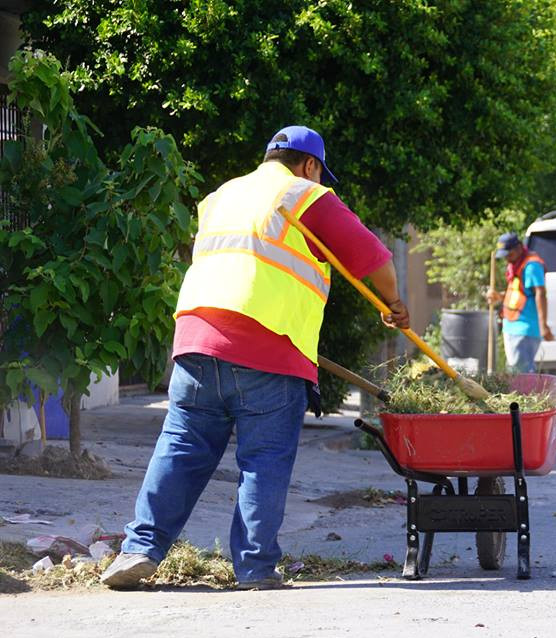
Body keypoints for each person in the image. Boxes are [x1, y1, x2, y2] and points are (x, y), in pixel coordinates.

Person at [100, 125, 409, 590]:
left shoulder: (220, 196)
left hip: (196, 341)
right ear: (310, 165)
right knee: (264, 459)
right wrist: (394, 304)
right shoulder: (306, 195)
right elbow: (374, 258)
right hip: (269, 350)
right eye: (320, 173)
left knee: (181, 448)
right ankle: (254, 567)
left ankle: (138, 550)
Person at [486, 231, 553, 373]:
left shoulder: (532, 266)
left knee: (522, 373)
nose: (507, 259)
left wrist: (543, 326)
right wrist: (498, 296)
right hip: (511, 326)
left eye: (509, 255)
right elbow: (519, 294)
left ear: (519, 248)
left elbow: (540, 293)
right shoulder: (516, 265)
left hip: (524, 328)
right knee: (515, 372)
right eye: (504, 256)